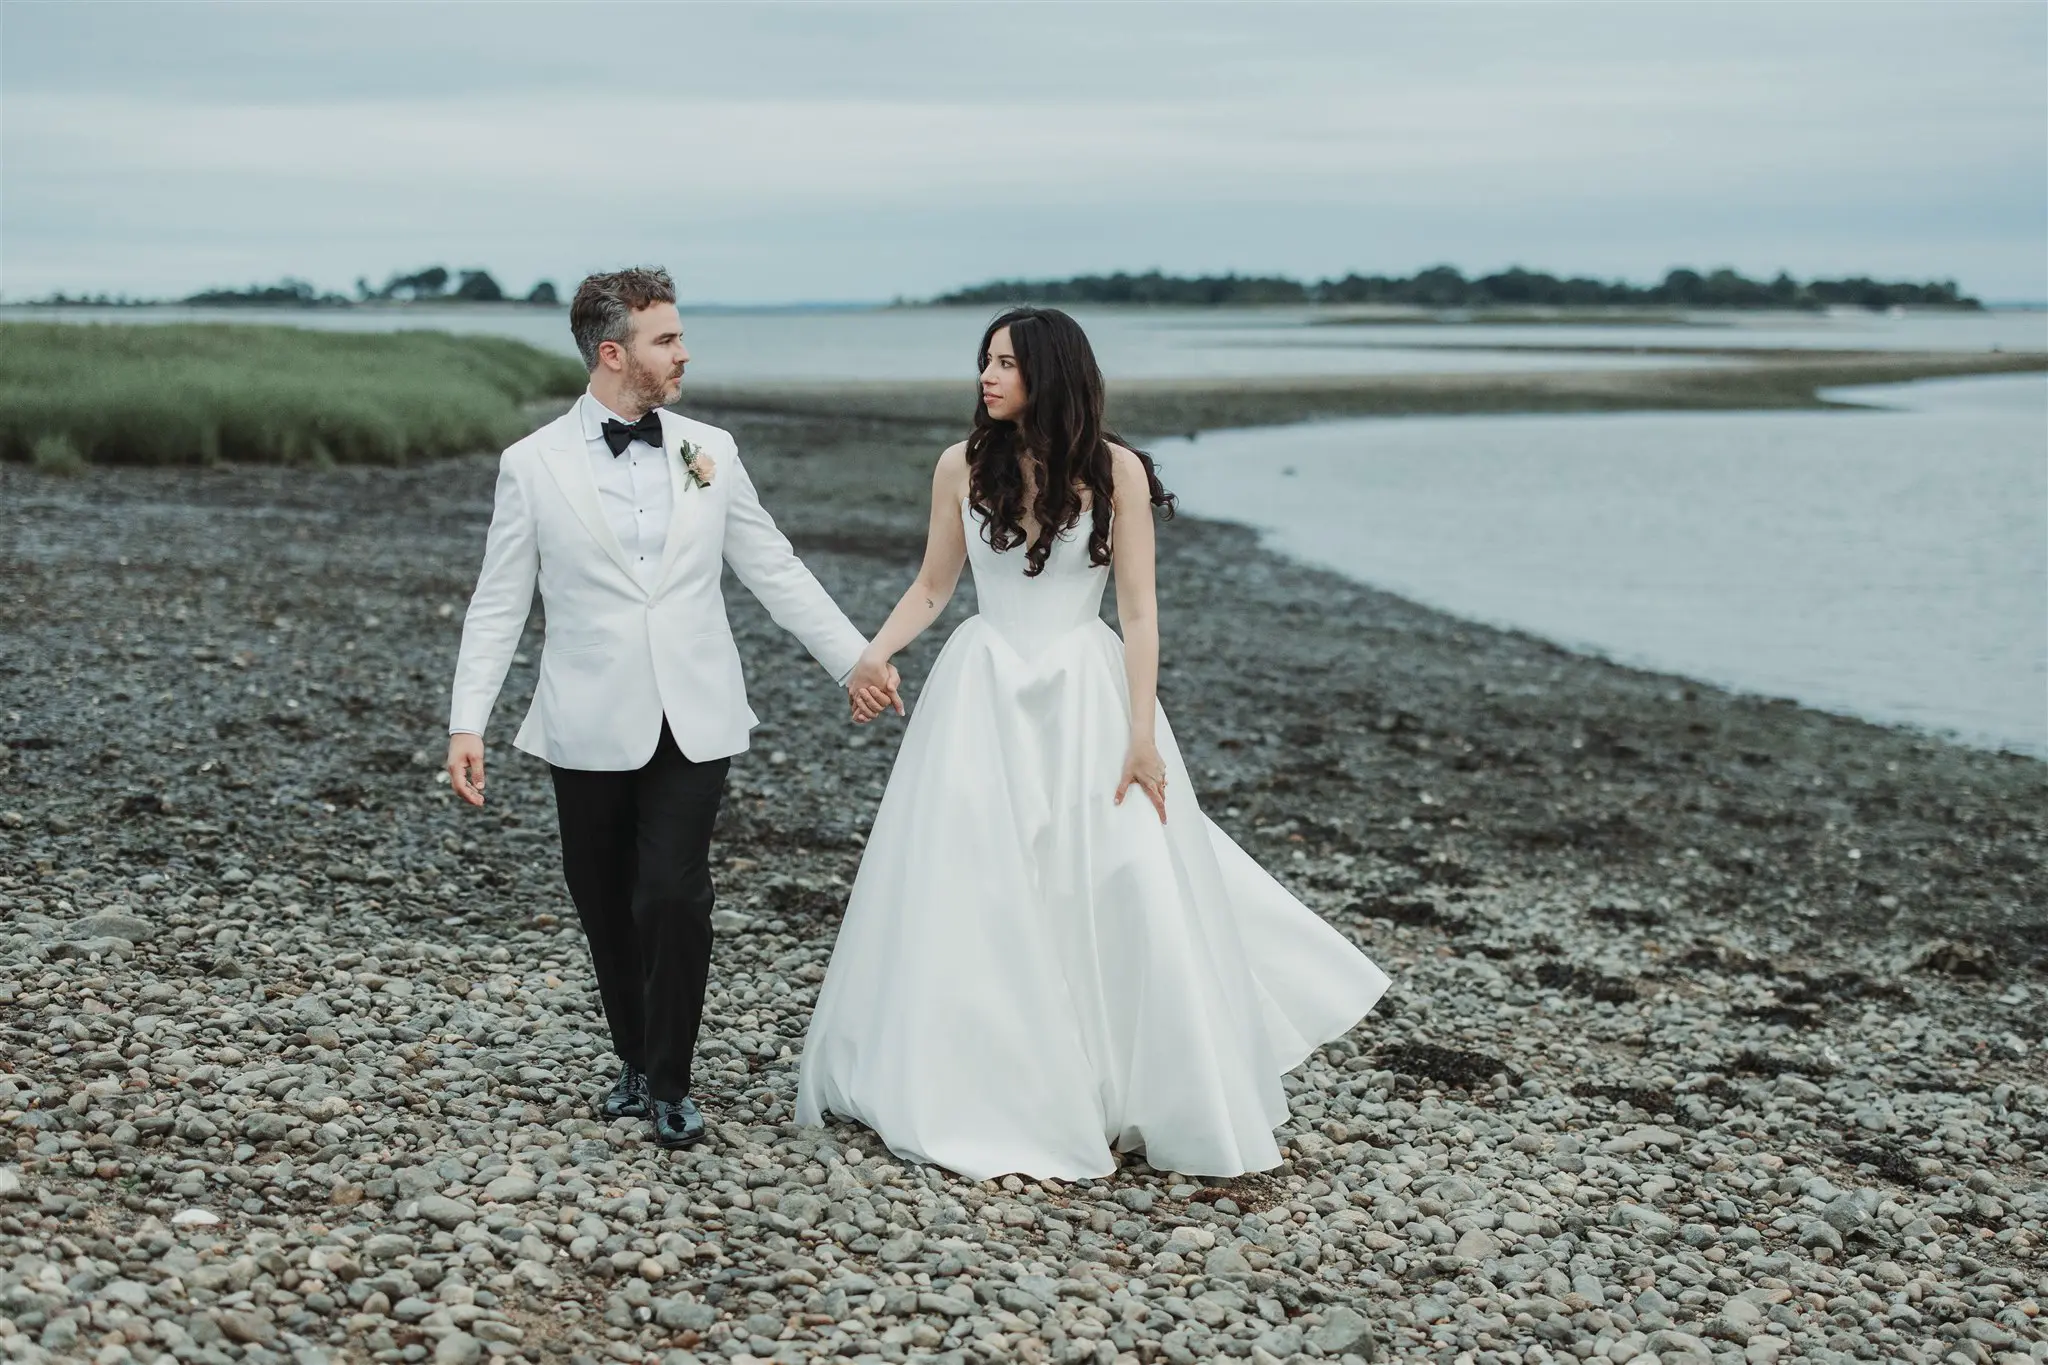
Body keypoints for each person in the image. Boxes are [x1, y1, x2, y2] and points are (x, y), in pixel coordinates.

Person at [801, 307, 1390, 1180]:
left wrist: (1142, 734)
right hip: (985, 686)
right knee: (977, 879)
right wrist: (873, 654)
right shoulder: (958, 465)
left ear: (1051, 372)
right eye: (984, 362)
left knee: (1117, 878)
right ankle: (992, 1076)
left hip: (1087, 690)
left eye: (1004, 363)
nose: (987, 378)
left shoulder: (1118, 471)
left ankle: (1122, 1084)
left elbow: (1141, 610)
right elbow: (934, 585)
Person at [445, 267, 898, 1150]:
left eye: (681, 336)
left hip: (696, 712)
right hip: (585, 718)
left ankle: (673, 1080)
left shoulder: (710, 451)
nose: (683, 352)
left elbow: (774, 566)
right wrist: (470, 720)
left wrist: (853, 658)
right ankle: (633, 1058)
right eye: (667, 340)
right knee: (604, 900)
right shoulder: (530, 465)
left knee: (673, 894)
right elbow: (498, 600)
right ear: (614, 354)